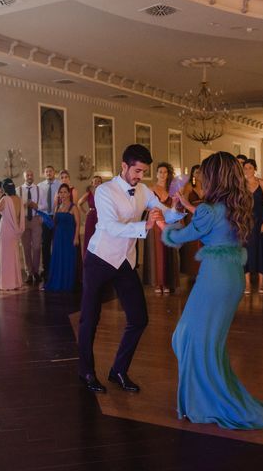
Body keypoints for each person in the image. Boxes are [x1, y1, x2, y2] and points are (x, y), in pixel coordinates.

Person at [160, 151, 263, 430]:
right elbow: (212, 220)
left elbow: (179, 237)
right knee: (205, 341)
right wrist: (188, 204)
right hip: (231, 274)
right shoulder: (237, 202)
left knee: (190, 338)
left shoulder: (210, 210)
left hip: (214, 278)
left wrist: (162, 223)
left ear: (212, 177)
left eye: (203, 174)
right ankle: (205, 395)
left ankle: (206, 402)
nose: (199, 177)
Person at [77, 144, 184, 394]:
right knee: (89, 319)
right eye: (136, 170)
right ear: (123, 166)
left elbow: (164, 214)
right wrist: (145, 226)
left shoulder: (143, 190)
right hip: (100, 258)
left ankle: (118, 371)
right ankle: (86, 372)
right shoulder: (104, 191)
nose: (139, 176)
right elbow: (111, 227)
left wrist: (177, 209)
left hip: (125, 260)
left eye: (143, 171)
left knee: (139, 319)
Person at [144, 162, 180, 294]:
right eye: (160, 172)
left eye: (165, 172)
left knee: (169, 252)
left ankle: (167, 283)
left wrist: (175, 204)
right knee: (157, 253)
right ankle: (158, 283)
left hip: (169, 223)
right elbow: (146, 205)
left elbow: (175, 209)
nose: (163, 174)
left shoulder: (173, 190)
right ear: (156, 174)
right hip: (155, 225)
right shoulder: (151, 189)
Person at [44, 184, 80, 292]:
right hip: (58, 237)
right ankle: (57, 282)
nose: (63, 194)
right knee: (58, 259)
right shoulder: (57, 207)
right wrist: (46, 220)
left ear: (69, 194)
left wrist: (76, 238)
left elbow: (78, 224)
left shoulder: (73, 207)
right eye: (61, 192)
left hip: (69, 237)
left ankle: (66, 283)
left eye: (65, 192)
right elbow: (54, 223)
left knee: (68, 259)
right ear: (58, 194)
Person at [242, 159, 263, 294]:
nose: (247, 170)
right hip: (245, 222)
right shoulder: (240, 184)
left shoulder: (262, 183)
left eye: (250, 167)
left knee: (261, 250)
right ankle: (247, 283)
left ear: (255, 168)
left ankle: (261, 282)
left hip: (259, 221)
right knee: (245, 251)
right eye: (245, 168)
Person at [0, 178, 24, 291]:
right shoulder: (19, 199)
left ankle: (7, 283)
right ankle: (15, 282)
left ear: (4, 188)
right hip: (14, 229)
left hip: (6, 229)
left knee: (5, 256)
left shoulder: (5, 199)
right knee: (13, 255)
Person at [177, 165, 204, 280]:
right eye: (196, 172)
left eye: (200, 172)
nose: (198, 174)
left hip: (205, 218)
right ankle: (193, 271)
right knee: (193, 245)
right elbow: (184, 203)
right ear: (192, 174)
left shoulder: (207, 186)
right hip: (192, 218)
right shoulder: (188, 187)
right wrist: (182, 220)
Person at [37, 165, 61, 282]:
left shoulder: (60, 184)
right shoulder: (39, 186)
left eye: (50, 171)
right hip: (45, 217)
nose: (48, 173)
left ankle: (56, 268)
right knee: (45, 244)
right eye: (46, 172)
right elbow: (38, 202)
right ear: (44, 173)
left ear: (54, 173)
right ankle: (46, 269)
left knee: (56, 243)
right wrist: (40, 216)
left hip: (57, 216)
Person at [18, 169, 42, 284]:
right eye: (27, 175)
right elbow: (16, 207)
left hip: (36, 219)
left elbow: (44, 205)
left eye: (31, 175)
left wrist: (36, 205)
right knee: (26, 247)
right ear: (24, 176)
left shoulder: (38, 189)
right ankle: (29, 272)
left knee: (37, 246)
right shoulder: (19, 190)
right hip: (23, 220)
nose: (29, 176)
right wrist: (23, 205)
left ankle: (36, 271)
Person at [78, 175, 102, 258]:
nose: (97, 183)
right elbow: (79, 203)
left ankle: (99, 258)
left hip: (101, 218)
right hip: (91, 217)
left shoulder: (104, 194)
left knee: (100, 238)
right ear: (92, 183)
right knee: (89, 237)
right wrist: (85, 212)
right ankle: (88, 258)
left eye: (99, 181)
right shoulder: (89, 194)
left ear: (101, 183)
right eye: (95, 181)